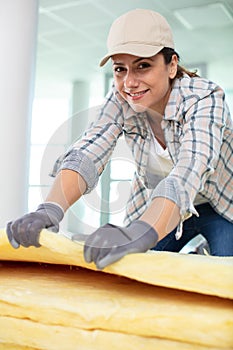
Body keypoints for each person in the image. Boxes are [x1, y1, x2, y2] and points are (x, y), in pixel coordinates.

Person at [7, 9, 233, 269]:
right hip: (159, 206)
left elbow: (189, 169)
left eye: (143, 66)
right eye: (119, 69)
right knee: (133, 271)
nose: (129, 82)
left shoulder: (205, 98)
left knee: (225, 275)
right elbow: (89, 150)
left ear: (171, 65)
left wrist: (140, 232)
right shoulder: (121, 99)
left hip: (221, 206)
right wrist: (50, 208)